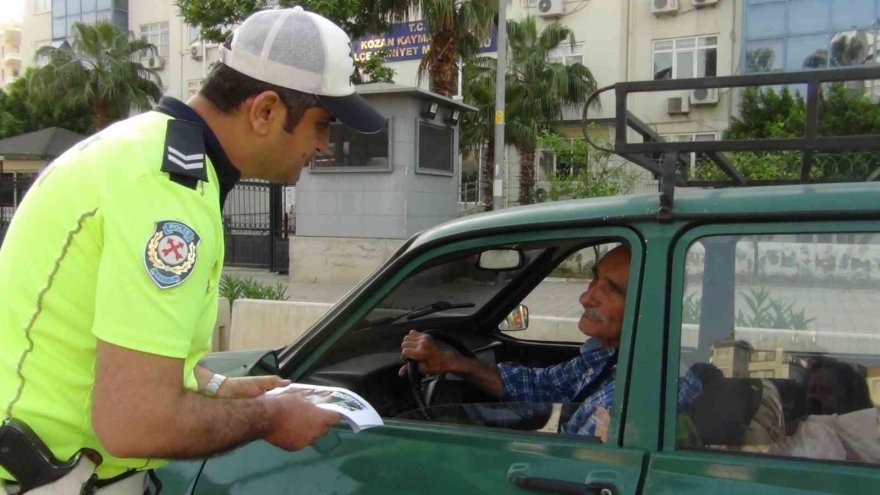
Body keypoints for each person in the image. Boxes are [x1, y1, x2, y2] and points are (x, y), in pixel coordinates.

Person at [0, 7, 386, 494]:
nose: (325, 144)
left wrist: (219, 386)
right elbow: (135, 421)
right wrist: (269, 418)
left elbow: (103, 342)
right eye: (322, 124)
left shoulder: (149, 154)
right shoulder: (167, 192)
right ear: (265, 111)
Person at [401, 245, 703, 438]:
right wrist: (455, 364)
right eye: (594, 279)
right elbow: (543, 386)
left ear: (648, 306)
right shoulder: (614, 356)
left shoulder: (632, 396)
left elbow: (574, 470)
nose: (585, 297)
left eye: (611, 290)